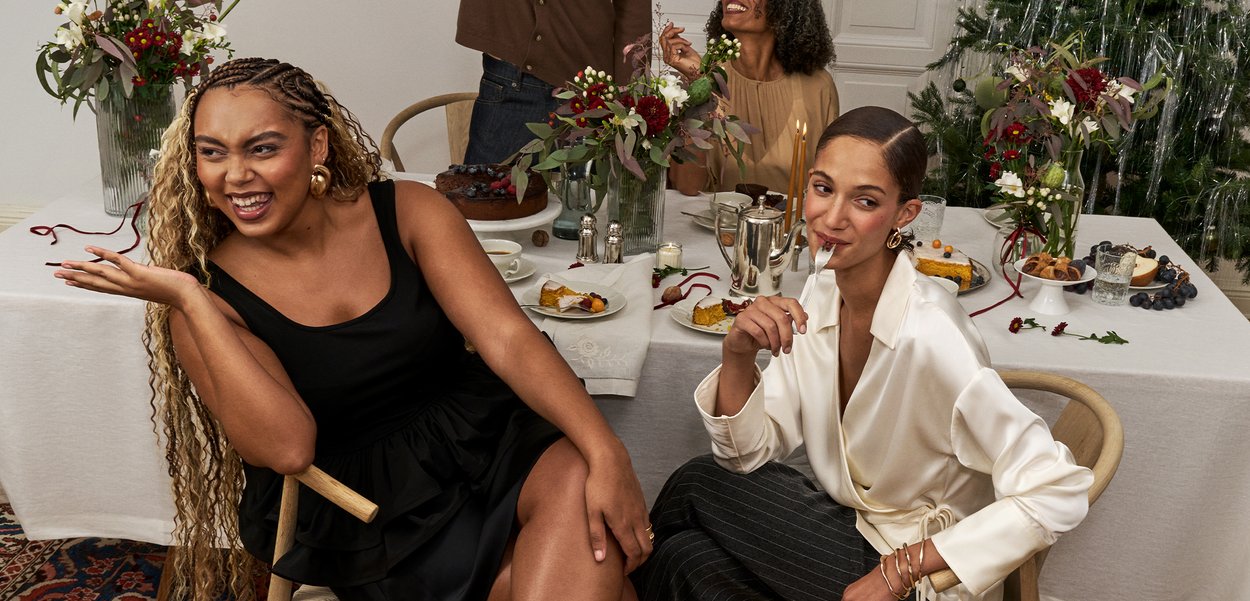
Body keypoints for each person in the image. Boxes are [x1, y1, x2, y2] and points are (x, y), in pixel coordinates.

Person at [53, 57, 651, 601]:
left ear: (316, 146)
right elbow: (287, 448)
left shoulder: (409, 211)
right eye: (212, 152)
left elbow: (508, 339)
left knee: (583, 487)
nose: (235, 175)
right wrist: (192, 299)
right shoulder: (210, 299)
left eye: (261, 148)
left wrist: (608, 452)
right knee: (600, 580)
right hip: (374, 511)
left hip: (484, 436)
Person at [631, 107, 1093, 601]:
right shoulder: (820, 294)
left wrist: (899, 572)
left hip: (917, 578)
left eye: (865, 200)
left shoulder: (932, 333)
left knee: (699, 481)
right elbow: (747, 453)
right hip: (851, 533)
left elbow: (1059, 489)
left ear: (903, 214)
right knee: (685, 561)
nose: (831, 219)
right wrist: (738, 355)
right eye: (823, 188)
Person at [660, 0, 839, 195]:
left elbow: (833, 185)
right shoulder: (707, 77)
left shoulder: (818, 87)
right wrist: (699, 83)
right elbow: (687, 187)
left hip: (792, 225)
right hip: (719, 224)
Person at [457, 0, 651, 165]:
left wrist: (627, 97)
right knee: (482, 201)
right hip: (514, 75)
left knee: (582, 205)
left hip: (589, 88)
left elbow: (634, 6)